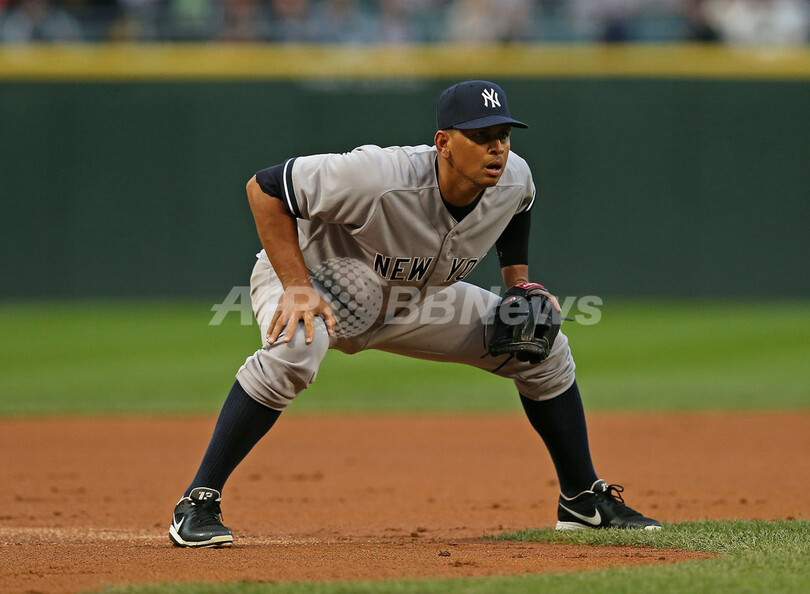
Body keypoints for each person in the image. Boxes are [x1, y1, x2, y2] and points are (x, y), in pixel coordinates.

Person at [168, 80, 662, 548]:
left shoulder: (514, 177)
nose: (497, 148)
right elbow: (264, 188)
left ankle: (581, 500)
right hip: (317, 283)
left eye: (503, 135)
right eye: (481, 136)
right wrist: (297, 288)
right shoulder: (376, 176)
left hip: (415, 299)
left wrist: (519, 284)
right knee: (295, 350)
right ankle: (197, 502)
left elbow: (519, 206)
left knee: (544, 347)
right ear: (444, 143)